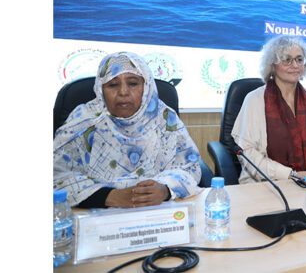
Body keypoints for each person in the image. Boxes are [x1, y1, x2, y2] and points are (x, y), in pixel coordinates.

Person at [53, 52, 201, 208]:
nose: (123, 92)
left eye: (133, 83)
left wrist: (165, 190)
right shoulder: (83, 121)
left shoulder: (164, 118)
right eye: (113, 85)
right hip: (95, 215)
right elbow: (56, 177)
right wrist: (109, 196)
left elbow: (190, 168)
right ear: (101, 89)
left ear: (146, 87)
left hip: (158, 212)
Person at [231, 36, 306, 182]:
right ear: (272, 65)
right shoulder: (254, 100)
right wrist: (291, 175)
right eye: (287, 59)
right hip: (268, 185)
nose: (295, 65)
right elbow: (248, 152)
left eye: (299, 59)